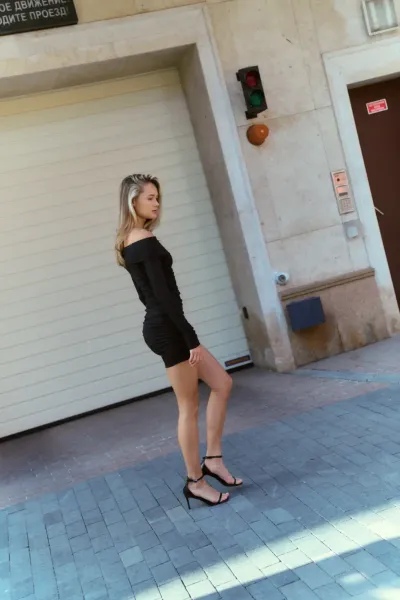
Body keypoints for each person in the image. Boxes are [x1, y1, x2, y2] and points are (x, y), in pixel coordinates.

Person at [115, 174, 243, 509]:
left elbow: (155, 296)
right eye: (150, 197)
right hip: (167, 328)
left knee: (222, 383)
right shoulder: (142, 240)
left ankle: (212, 459)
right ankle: (195, 482)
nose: (156, 203)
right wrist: (191, 339)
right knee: (188, 406)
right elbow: (164, 298)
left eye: (158, 197)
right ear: (132, 201)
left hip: (164, 325)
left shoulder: (130, 239)